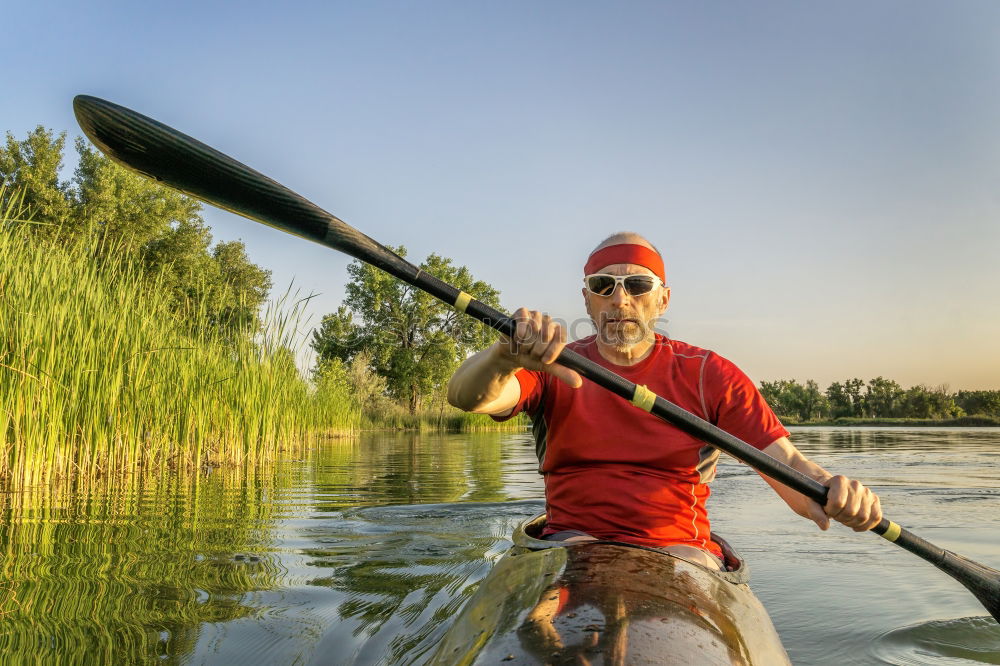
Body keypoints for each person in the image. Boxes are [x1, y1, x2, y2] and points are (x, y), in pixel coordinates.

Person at [447, 232, 882, 570]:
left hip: (682, 552)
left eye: (637, 285)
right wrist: (501, 357)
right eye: (604, 285)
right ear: (586, 298)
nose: (620, 299)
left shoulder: (709, 375)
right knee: (572, 558)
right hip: (570, 543)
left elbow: (794, 473)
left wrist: (840, 493)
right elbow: (466, 397)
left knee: (686, 563)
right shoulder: (549, 364)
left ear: (663, 298)